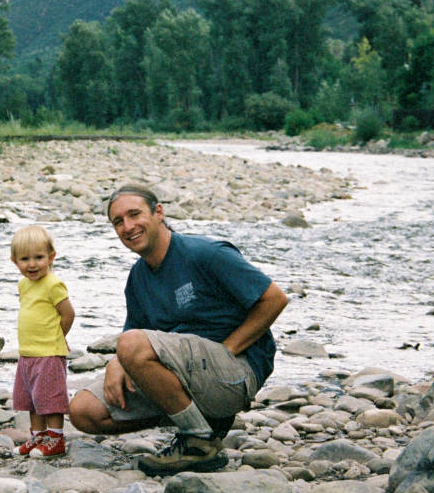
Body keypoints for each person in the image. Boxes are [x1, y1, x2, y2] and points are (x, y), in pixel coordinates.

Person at [69, 184, 288, 476]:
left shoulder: (206, 254)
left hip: (235, 372)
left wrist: (230, 349)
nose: (128, 226)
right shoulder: (137, 278)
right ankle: (199, 420)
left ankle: (199, 441)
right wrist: (116, 362)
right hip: (182, 374)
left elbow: (274, 298)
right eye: (118, 221)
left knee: (132, 346)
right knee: (83, 411)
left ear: (158, 212)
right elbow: (133, 337)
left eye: (134, 214)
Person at [11, 225, 75, 458]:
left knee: (50, 398)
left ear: (51, 257)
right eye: (25, 259)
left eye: (39, 257)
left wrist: (58, 337)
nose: (32, 264)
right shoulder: (23, 285)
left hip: (48, 352)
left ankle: (55, 438)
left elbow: (68, 313)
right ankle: (38, 437)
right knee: (32, 400)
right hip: (28, 353)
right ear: (14, 261)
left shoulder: (52, 284)